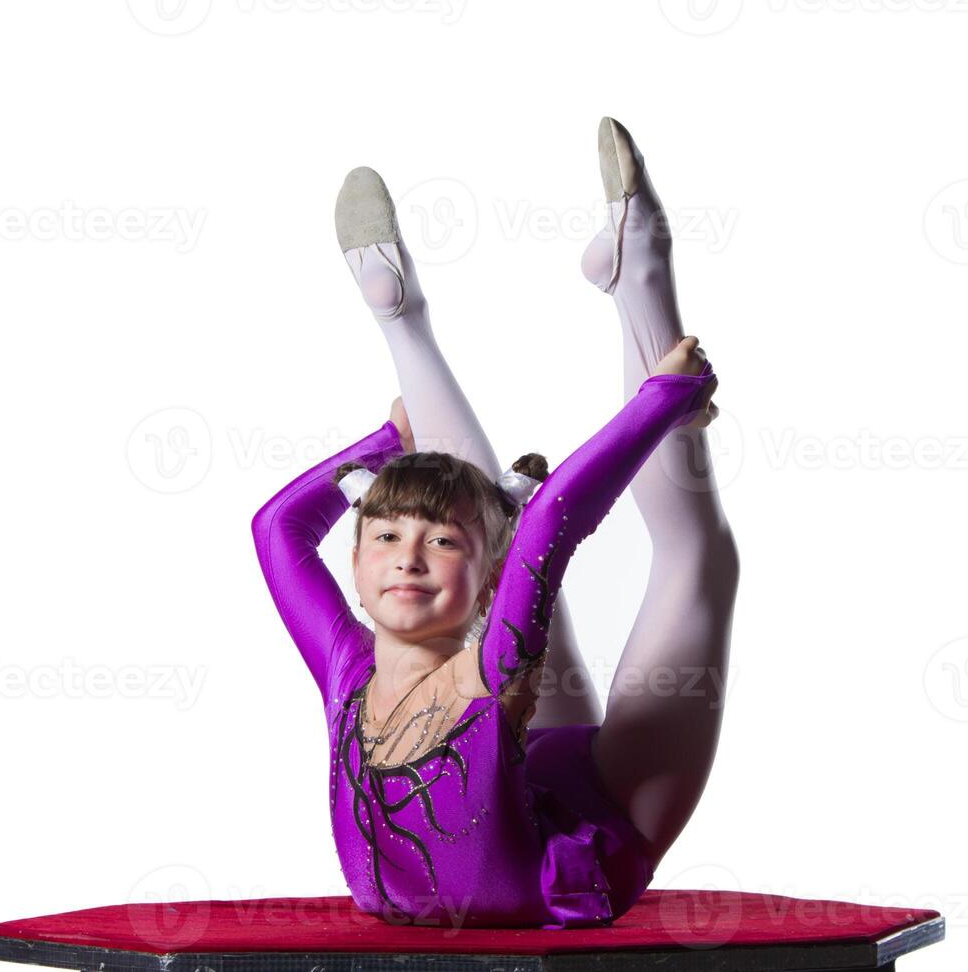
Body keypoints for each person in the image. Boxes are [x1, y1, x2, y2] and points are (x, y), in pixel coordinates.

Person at [250, 118, 740, 928]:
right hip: (564, 844)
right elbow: (280, 528)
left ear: (483, 583)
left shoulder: (394, 669)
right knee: (687, 560)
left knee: (685, 559)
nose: (407, 559)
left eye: (441, 545)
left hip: (552, 805)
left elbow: (542, 522)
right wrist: (384, 448)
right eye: (386, 539)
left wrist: (665, 404)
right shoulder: (401, 666)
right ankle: (633, 271)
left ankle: (421, 320)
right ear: (356, 564)